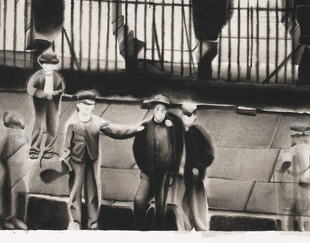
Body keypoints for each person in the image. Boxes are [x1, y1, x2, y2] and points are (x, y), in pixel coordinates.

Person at [60, 90, 144, 230]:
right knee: (75, 190)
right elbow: (66, 146)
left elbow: (115, 130)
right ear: (78, 105)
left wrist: (135, 129)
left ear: (94, 107)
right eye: (85, 104)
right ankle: (75, 221)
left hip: (92, 159)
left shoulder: (97, 122)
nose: (88, 108)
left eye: (91, 105)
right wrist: (65, 160)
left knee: (92, 190)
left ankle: (93, 221)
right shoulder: (71, 123)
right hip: (76, 161)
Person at [132, 94, 185, 230]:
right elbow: (137, 148)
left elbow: (177, 149)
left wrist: (173, 170)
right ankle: (139, 227)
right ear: (153, 110)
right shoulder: (145, 126)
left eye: (162, 110)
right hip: (148, 172)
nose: (159, 113)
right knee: (139, 201)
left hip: (164, 173)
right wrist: (143, 166)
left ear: (166, 111)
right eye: (157, 109)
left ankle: (158, 231)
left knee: (160, 207)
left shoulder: (172, 127)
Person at [275, 122, 310, 232]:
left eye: (293, 136)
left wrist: (280, 177)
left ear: (296, 137)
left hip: (292, 188)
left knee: (290, 217)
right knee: (305, 218)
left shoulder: (289, 150)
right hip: (307, 189)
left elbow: (285, 165)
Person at [175, 102, 215, 231]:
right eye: (185, 114)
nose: (187, 117)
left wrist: (199, 168)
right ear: (181, 114)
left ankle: (201, 230)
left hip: (194, 178)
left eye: (190, 115)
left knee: (197, 208)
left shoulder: (197, 132)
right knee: (184, 206)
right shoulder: (181, 132)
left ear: (195, 116)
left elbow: (209, 154)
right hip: (183, 176)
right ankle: (187, 229)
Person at [25, 49, 65, 160]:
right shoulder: (37, 76)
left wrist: (54, 94)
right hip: (40, 103)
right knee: (39, 125)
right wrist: (42, 94)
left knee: (52, 126)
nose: (48, 67)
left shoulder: (57, 78)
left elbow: (61, 88)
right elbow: (30, 88)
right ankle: (34, 149)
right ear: (42, 65)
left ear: (54, 66)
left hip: (53, 103)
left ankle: (49, 149)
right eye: (46, 65)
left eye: (51, 65)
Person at [0, 111, 32, 230]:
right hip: (22, 167)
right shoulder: (25, 136)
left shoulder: (8, 134)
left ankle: (9, 218)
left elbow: (0, 154)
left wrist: (4, 163)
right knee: (21, 191)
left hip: (11, 167)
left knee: (8, 191)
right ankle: (19, 218)